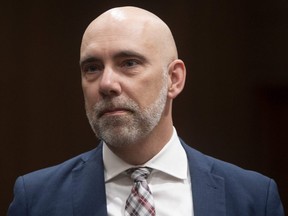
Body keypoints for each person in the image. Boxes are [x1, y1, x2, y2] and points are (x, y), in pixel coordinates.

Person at [8, 6, 284, 216]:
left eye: (128, 63)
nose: (106, 84)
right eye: (92, 68)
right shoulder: (36, 199)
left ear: (174, 79)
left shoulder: (253, 198)